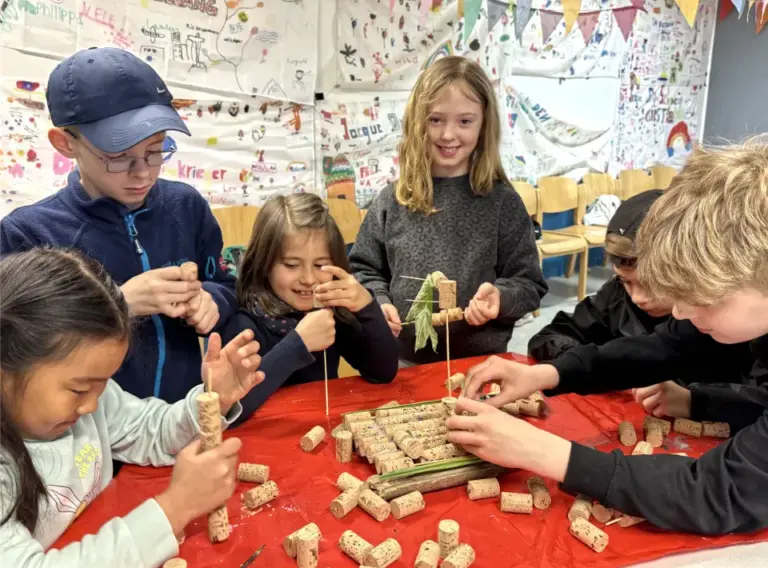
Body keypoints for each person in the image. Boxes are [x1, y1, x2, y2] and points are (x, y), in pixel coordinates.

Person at [447, 140, 768, 535]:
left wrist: (545, 452)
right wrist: (544, 375)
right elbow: (662, 348)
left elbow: (721, 493)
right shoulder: (743, 304)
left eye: (701, 298)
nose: (679, 312)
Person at [0, 47, 237, 403]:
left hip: (181, 415)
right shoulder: (27, 234)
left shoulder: (186, 207)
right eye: (119, 157)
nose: (142, 173)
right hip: (81, 427)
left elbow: (226, 285)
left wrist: (211, 301)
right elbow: (15, 344)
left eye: (155, 150)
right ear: (65, 143)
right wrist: (117, 303)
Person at [0, 248, 264, 567]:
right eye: (79, 389)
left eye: (103, 384)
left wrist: (213, 400)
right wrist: (174, 508)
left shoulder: (89, 402)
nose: (92, 405)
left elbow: (149, 430)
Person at [349, 56, 547, 364]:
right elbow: (364, 269)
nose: (448, 135)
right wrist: (378, 302)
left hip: (480, 361)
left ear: (483, 125)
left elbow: (529, 283)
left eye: (465, 121)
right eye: (435, 120)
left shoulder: (503, 203)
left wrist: (501, 297)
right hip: (404, 361)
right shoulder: (392, 200)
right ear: (417, 122)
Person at [221, 194, 398, 423]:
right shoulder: (243, 323)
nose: (308, 279)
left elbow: (382, 372)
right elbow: (231, 410)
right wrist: (299, 344)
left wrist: (367, 307)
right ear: (264, 264)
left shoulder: (329, 311)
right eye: (292, 265)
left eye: (320, 265)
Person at [528, 190, 670, 362]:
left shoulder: (699, 321)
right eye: (626, 281)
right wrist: (583, 362)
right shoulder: (616, 295)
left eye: (650, 283)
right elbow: (552, 336)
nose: (637, 298)